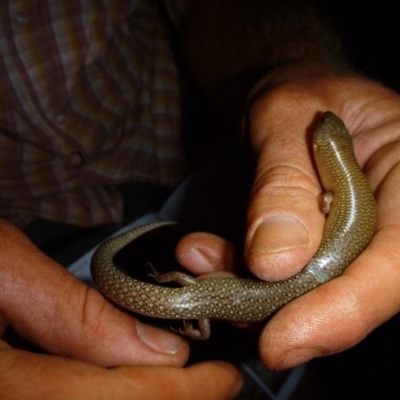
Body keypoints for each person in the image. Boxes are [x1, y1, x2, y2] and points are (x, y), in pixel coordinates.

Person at [2, 0, 400, 398]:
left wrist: (292, 71)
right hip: (41, 224)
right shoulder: (195, 299)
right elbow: (198, 309)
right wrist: (185, 307)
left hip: (185, 155)